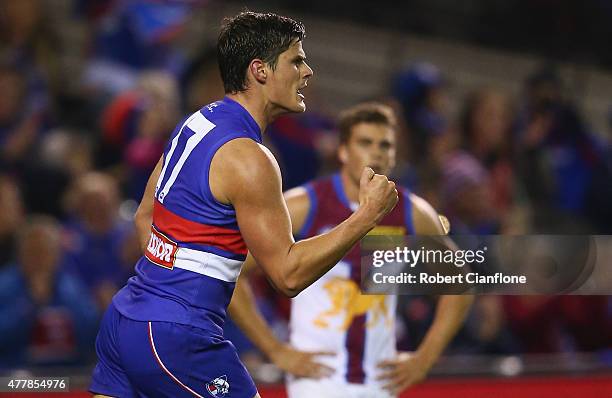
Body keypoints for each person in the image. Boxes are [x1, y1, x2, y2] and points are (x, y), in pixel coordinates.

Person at [90, 11, 398, 398]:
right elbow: (288, 275)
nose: (308, 72)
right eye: (296, 60)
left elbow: (144, 215)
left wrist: (164, 286)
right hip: (177, 337)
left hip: (125, 321)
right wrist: (367, 215)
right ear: (260, 70)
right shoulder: (251, 159)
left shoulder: (198, 122)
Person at [228, 102, 473, 397]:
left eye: (386, 145)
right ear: (343, 151)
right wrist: (275, 349)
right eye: (365, 143)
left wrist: (425, 358)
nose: (377, 152)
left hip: (380, 382)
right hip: (315, 380)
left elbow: (460, 283)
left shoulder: (412, 212)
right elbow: (234, 270)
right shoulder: (304, 205)